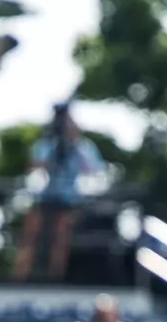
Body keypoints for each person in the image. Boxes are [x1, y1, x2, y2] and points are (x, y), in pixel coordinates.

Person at [11, 103, 104, 282]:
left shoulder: (82, 147)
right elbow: (35, 167)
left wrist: (75, 144)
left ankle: (55, 277)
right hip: (42, 198)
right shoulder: (45, 144)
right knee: (30, 237)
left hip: (67, 200)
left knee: (60, 241)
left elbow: (92, 169)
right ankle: (18, 276)